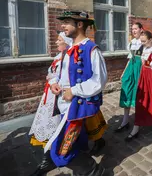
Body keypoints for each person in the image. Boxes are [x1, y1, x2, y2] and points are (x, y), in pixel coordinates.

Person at [45, 11, 107, 175]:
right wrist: (54, 83)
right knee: (78, 143)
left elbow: (99, 80)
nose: (62, 25)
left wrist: (74, 90)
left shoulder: (91, 49)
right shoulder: (67, 50)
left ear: (79, 25)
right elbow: (56, 73)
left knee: (60, 150)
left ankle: (94, 171)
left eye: (66, 22)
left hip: (76, 107)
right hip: (63, 105)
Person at [29, 32, 71, 176]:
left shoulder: (69, 59)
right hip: (50, 97)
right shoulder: (57, 58)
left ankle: (50, 159)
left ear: (67, 42)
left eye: (59, 40)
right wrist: (52, 80)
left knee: (57, 127)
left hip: (60, 98)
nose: (56, 42)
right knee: (48, 126)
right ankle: (47, 159)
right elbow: (51, 74)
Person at [126, 31, 152, 141]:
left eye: (144, 41)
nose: (142, 43)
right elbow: (143, 65)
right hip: (144, 77)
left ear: (150, 39)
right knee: (141, 101)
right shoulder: (145, 49)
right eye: (141, 41)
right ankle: (137, 126)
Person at [115, 23, 144, 132]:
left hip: (139, 69)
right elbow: (130, 58)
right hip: (130, 69)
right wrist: (124, 71)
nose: (134, 31)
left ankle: (137, 124)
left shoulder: (144, 42)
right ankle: (125, 120)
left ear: (141, 30)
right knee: (126, 91)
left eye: (136, 29)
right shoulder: (132, 43)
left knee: (137, 94)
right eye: (132, 29)